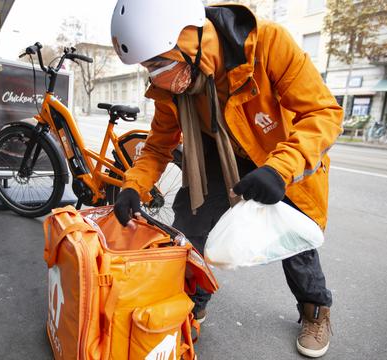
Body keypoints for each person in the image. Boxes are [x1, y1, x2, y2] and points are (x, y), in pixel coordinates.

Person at [110, 1, 343, 358]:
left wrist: (281, 168)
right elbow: (158, 145)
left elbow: (322, 113)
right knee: (191, 228)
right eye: (147, 67)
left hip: (277, 151)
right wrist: (132, 186)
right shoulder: (175, 85)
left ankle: (315, 309)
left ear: (188, 41)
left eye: (158, 63)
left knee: (292, 235)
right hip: (217, 155)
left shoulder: (266, 43)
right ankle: (192, 302)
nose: (154, 76)